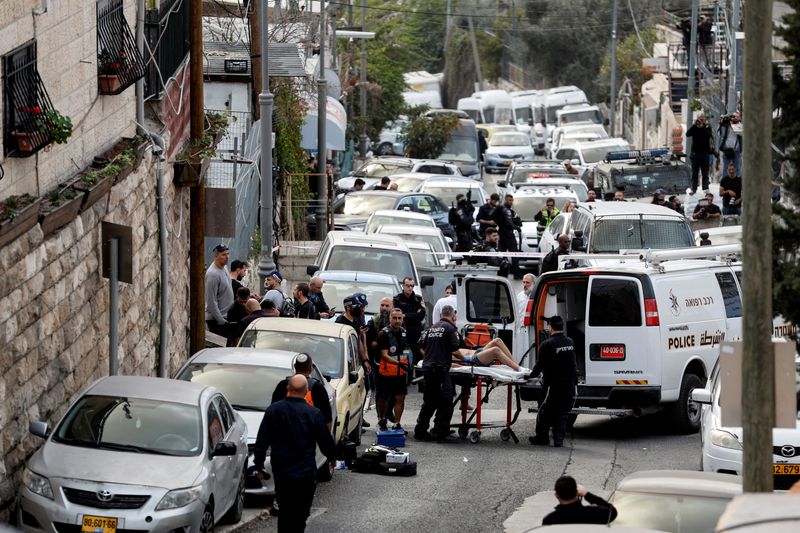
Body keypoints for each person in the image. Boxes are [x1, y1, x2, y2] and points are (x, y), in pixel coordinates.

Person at [253, 375, 336, 533]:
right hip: (305, 472)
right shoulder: (313, 414)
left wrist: (259, 465)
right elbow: (325, 440)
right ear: (306, 392)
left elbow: (262, 440)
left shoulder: (273, 411)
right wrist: (332, 458)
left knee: (284, 511)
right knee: (301, 512)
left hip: (282, 471)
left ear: (287, 389)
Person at [414, 305, 464, 443]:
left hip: (428, 368)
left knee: (429, 401)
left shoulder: (431, 328)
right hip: (440, 370)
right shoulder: (450, 329)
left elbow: (419, 346)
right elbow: (455, 350)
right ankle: (441, 432)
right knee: (446, 401)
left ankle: (420, 431)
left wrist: (429, 356)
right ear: (453, 316)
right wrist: (467, 359)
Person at [529, 315, 578, 447]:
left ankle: (542, 438)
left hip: (552, 387)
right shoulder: (570, 342)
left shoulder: (547, 344)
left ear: (550, 327)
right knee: (562, 413)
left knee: (544, 411)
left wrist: (528, 376)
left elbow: (539, 366)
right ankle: (558, 440)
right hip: (568, 386)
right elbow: (574, 365)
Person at [271, 354, 333, 430]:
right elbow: (327, 418)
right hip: (308, 436)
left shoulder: (282, 385)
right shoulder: (317, 388)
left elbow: (273, 414)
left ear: (294, 366)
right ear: (311, 368)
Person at [376, 308, 411, 432]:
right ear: (390, 318)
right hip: (386, 372)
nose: (397, 321)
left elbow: (405, 349)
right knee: (383, 397)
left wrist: (408, 361)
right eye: (394, 318)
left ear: (402, 318)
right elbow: (385, 355)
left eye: (399, 318)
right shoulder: (383, 333)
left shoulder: (404, 332)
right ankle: (382, 419)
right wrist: (399, 363)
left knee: (400, 397)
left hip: (400, 373)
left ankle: (397, 423)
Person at [542, 475, 617, 526]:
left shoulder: (550, 520)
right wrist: (587, 494)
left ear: (557, 495)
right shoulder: (593, 514)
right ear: (577, 492)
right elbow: (612, 512)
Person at [366, 297, 392, 412]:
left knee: (394, 392)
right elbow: (371, 344)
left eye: (387, 306)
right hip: (378, 362)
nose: (384, 308)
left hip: (394, 362)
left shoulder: (397, 321)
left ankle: (389, 412)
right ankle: (381, 417)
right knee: (380, 391)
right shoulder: (373, 322)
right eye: (382, 305)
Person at [336, 293, 373, 375]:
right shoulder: (340, 323)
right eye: (359, 307)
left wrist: (365, 361)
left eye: (363, 307)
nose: (362, 310)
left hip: (355, 361)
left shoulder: (356, 320)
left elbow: (358, 340)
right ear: (348, 307)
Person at [393, 277, 426, 364]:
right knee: (405, 358)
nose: (410, 288)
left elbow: (421, 316)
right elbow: (398, 316)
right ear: (403, 286)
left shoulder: (418, 299)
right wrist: (414, 314)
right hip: (404, 334)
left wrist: (406, 315)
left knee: (417, 358)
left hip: (416, 335)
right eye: (408, 286)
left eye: (412, 286)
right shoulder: (397, 299)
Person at [205, 244, 234, 337]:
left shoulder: (224, 267)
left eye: (228, 254)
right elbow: (210, 301)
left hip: (226, 317)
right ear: (216, 256)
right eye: (223, 255)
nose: (227, 257)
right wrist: (221, 320)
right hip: (217, 320)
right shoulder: (213, 274)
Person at [493, 194, 522, 278]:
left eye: (512, 200)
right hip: (505, 234)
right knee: (505, 255)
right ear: (505, 200)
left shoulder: (510, 210)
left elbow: (517, 221)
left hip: (506, 234)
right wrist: (515, 227)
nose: (511, 202)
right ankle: (505, 272)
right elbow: (508, 222)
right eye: (509, 200)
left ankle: (514, 273)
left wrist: (516, 222)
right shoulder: (503, 209)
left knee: (513, 255)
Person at [686, 114, 715, 194]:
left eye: (702, 119)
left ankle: (705, 188)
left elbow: (708, 135)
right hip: (695, 154)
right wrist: (694, 126)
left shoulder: (707, 127)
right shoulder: (694, 127)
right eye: (699, 119)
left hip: (705, 153)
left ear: (704, 119)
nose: (700, 121)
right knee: (695, 172)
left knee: (705, 172)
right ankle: (693, 188)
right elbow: (687, 134)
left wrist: (702, 127)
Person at [718, 111, 742, 176]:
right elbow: (721, 133)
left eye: (737, 117)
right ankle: (725, 184)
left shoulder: (741, 126)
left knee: (737, 168)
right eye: (734, 116)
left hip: (736, 150)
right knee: (726, 168)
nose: (735, 118)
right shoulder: (726, 125)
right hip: (726, 150)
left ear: (740, 118)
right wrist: (723, 121)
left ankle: (736, 184)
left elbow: (741, 134)